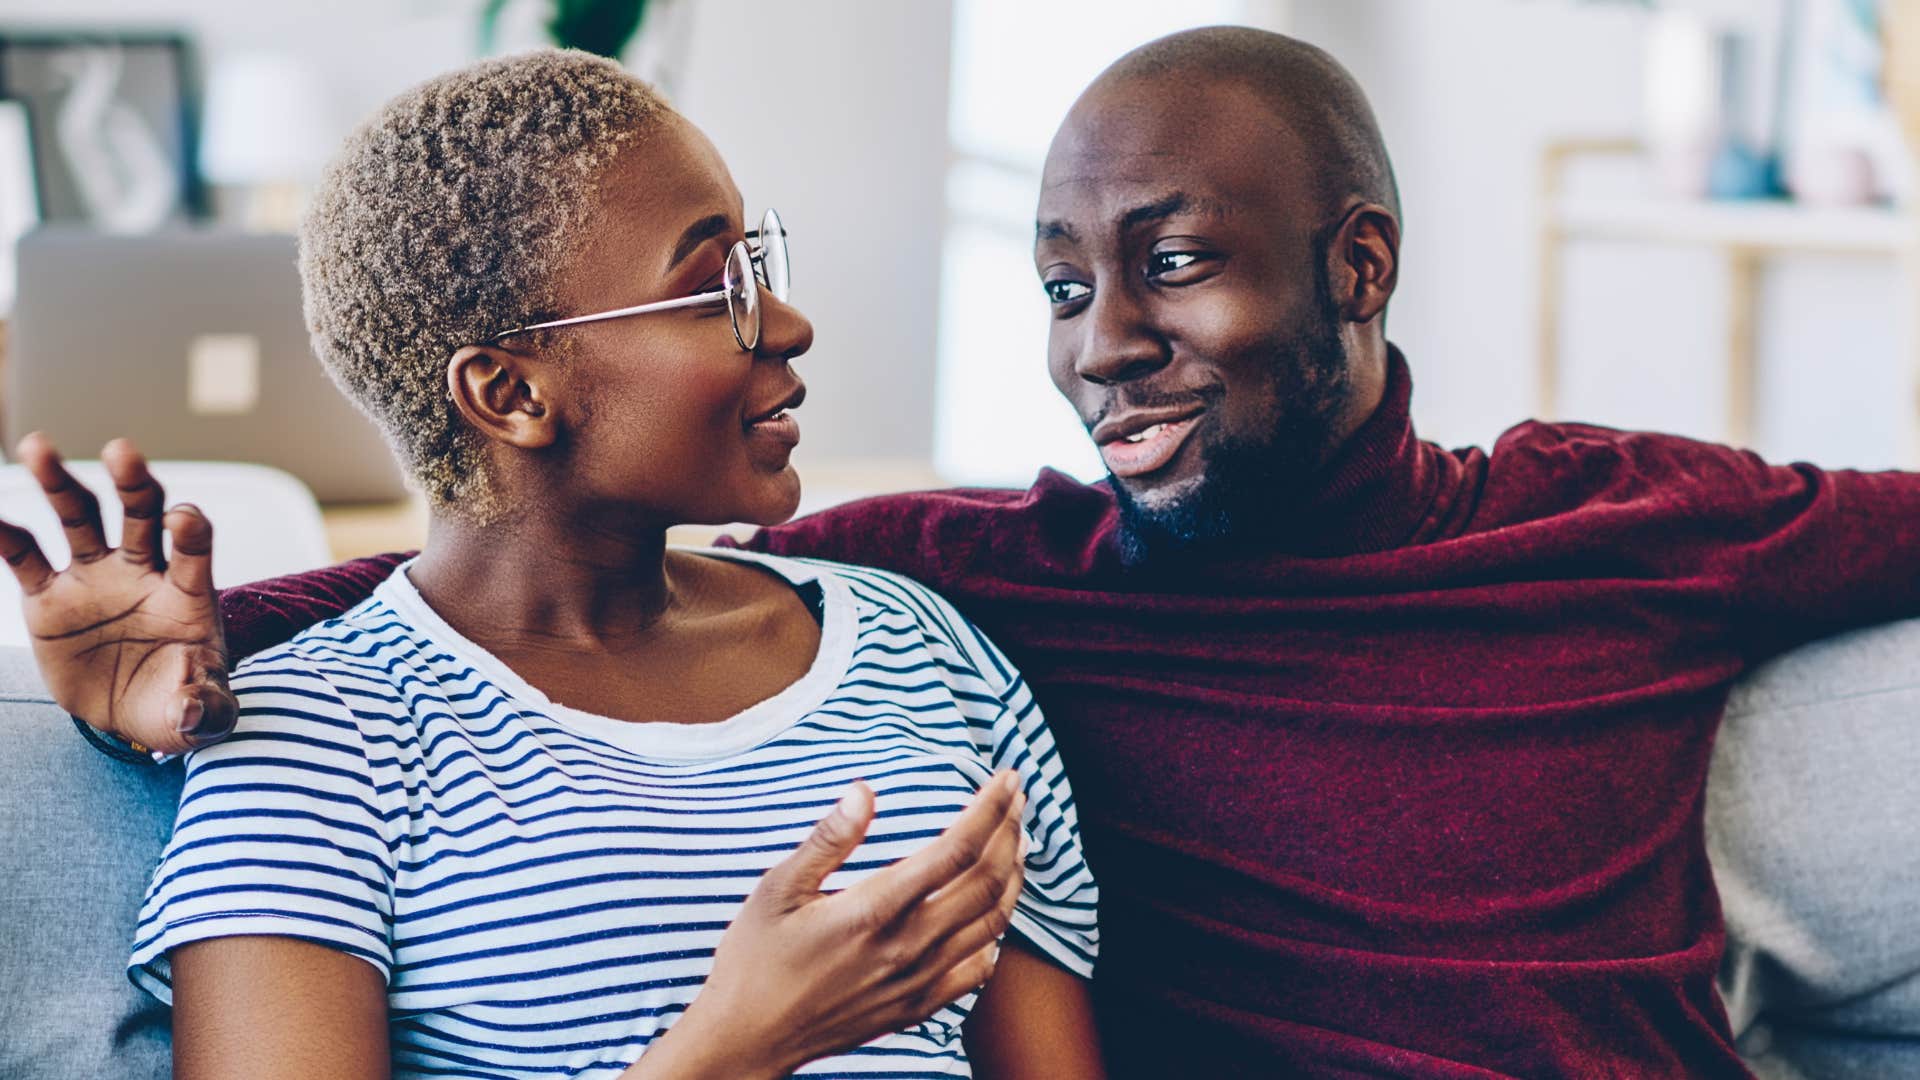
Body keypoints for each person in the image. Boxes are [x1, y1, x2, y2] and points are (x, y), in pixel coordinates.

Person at [10, 24, 1920, 1080]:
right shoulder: (982, 583)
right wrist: (158, 662)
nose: (1102, 346)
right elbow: (486, 603)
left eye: (1176, 264)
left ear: (1359, 266)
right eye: (1066, 286)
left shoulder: (1624, 522)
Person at [0, 51, 1104, 1080]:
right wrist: (739, 1044)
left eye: (758, 266)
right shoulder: (315, 741)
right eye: (714, 288)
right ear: (512, 393)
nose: (788, 323)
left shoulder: (923, 647)